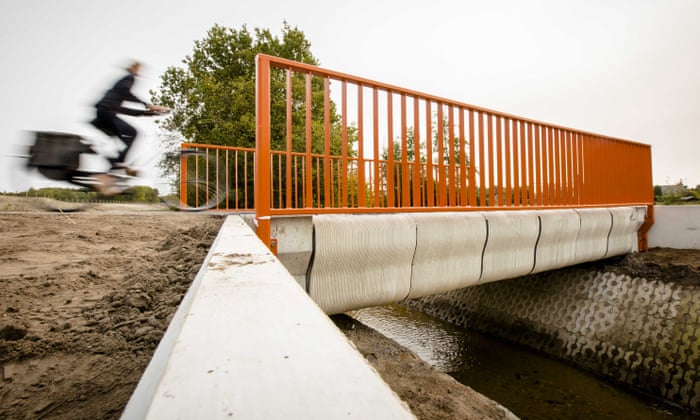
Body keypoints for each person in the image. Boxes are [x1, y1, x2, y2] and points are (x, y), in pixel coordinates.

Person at [91, 61, 168, 176]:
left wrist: (152, 113)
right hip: (106, 114)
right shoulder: (129, 78)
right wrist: (147, 105)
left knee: (126, 138)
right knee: (133, 133)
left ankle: (116, 163)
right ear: (135, 69)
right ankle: (118, 163)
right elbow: (127, 93)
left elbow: (128, 111)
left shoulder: (114, 98)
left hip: (102, 114)